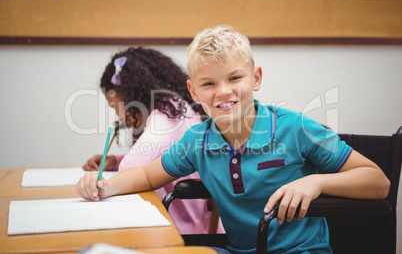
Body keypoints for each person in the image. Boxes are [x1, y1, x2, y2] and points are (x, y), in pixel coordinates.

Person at [76, 26, 390, 253]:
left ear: (256, 78)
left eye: (235, 78)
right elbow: (147, 173)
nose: (224, 91)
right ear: (194, 92)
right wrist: (104, 185)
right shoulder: (196, 140)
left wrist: (315, 183)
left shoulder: (296, 128)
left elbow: (378, 182)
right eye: (209, 83)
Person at [82, 47, 214, 235]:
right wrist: (115, 161)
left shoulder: (167, 118)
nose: (119, 117)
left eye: (114, 106)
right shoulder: (175, 106)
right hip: (186, 222)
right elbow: (158, 157)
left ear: (131, 96)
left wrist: (121, 165)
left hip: (184, 231)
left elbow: (132, 170)